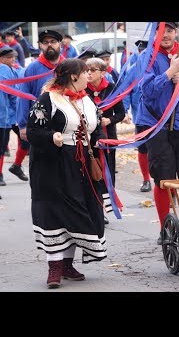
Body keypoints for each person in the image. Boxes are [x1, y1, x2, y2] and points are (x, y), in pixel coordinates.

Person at [26, 58, 107, 289]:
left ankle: (68, 264)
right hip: (53, 164)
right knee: (56, 212)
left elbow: (97, 128)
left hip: (82, 165)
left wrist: (101, 140)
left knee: (79, 210)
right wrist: (51, 137)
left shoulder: (88, 100)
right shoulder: (48, 99)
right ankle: (55, 268)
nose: (88, 76)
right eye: (85, 72)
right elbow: (32, 131)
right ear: (73, 76)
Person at [137, 22, 179, 245]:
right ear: (155, 32)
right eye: (161, 30)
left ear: (176, 32)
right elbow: (146, 92)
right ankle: (165, 227)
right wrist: (169, 72)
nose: (165, 35)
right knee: (163, 180)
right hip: (157, 126)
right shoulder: (147, 57)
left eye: (170, 30)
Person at [16, 29, 65, 183]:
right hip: (40, 126)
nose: (49, 45)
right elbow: (23, 97)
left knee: (64, 169)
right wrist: (23, 125)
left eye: (52, 42)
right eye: (45, 43)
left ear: (60, 44)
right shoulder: (32, 68)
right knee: (42, 170)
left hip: (64, 124)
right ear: (40, 46)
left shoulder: (67, 66)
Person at [85, 57, 125, 224]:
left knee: (106, 173)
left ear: (102, 73)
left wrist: (109, 121)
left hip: (108, 139)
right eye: (86, 70)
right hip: (88, 138)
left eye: (92, 70)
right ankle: (93, 208)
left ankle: (104, 208)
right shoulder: (82, 89)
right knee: (90, 172)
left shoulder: (111, 89)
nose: (88, 73)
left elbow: (121, 113)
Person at [122, 39, 152, 193]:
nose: (143, 55)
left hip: (159, 117)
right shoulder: (133, 70)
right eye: (141, 52)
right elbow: (126, 91)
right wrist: (125, 111)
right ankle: (146, 179)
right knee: (143, 150)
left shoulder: (156, 65)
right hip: (141, 117)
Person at [0, 47, 19, 189]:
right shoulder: (5, 70)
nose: (13, 59)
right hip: (4, 117)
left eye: (14, 57)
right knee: (1, 148)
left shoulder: (10, 69)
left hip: (5, 116)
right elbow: (13, 95)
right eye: (10, 57)